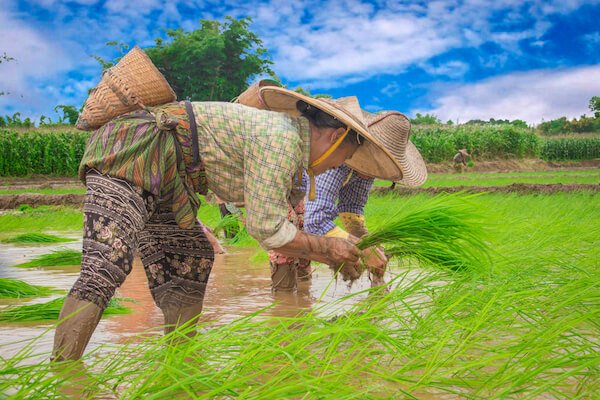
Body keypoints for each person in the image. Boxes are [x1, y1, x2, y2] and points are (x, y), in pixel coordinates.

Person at [52, 86, 408, 361]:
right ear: (334, 137)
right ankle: (64, 375)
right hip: (135, 149)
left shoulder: (288, 149)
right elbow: (267, 229)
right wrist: (330, 249)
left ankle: (180, 365)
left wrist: (329, 249)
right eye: (345, 157)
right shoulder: (281, 140)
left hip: (174, 178)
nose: (337, 166)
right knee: (107, 262)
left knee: (192, 263)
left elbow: (263, 214)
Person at [269, 111, 428, 291]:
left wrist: (370, 244)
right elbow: (315, 221)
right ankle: (284, 309)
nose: (377, 172)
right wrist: (362, 249)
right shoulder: (335, 157)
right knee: (286, 257)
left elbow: (351, 211)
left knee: (304, 268)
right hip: (281, 189)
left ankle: (301, 307)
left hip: (303, 199)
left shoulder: (366, 172)